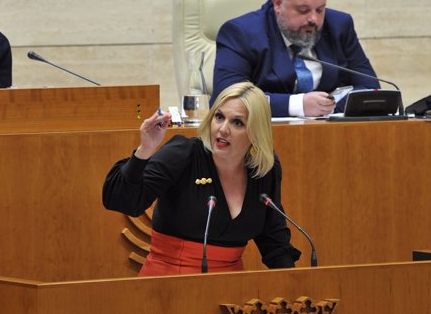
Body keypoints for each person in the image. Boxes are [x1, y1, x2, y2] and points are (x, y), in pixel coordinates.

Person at [102, 82, 301, 276]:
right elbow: (124, 201)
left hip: (230, 291)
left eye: (237, 122)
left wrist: (293, 285)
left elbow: (273, 239)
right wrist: (145, 150)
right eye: (219, 117)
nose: (223, 129)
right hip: (169, 284)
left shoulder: (263, 169)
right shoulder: (183, 154)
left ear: (256, 132)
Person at [211, 0, 379, 118]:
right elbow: (227, 99)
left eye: (320, 10)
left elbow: (371, 88)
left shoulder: (339, 26)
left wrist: (330, 106)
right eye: (303, 10)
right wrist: (298, 105)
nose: (314, 19)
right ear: (278, 4)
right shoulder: (241, 33)